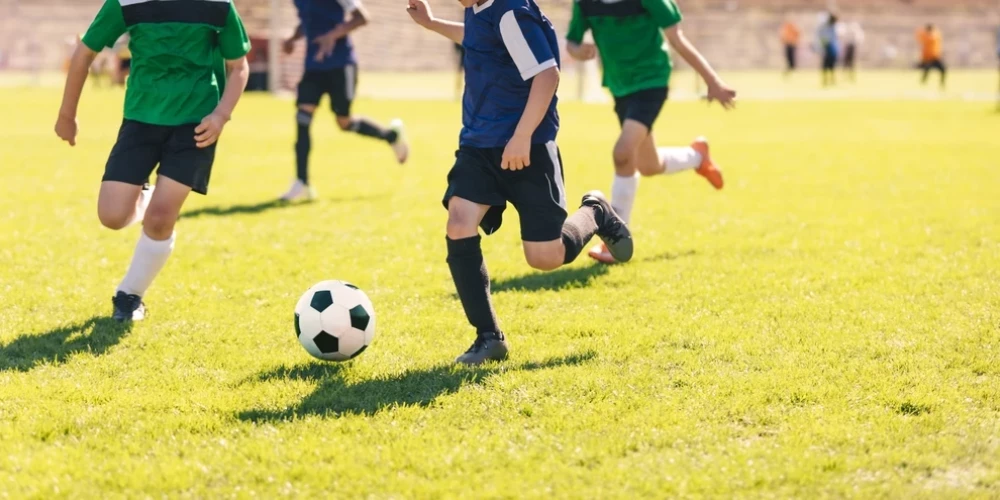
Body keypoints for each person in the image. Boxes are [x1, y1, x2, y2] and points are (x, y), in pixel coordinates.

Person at [406, 0, 634, 365]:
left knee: (544, 258)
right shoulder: (478, 8)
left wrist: (522, 134)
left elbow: (547, 74)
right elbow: (480, 39)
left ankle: (595, 212)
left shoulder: (513, 11)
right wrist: (432, 23)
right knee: (459, 221)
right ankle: (489, 337)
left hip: (528, 147)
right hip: (478, 145)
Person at [54, 0, 251, 321]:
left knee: (160, 219)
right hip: (140, 121)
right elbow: (84, 54)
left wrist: (221, 115)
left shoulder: (218, 5)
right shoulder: (127, 2)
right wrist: (66, 115)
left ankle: (130, 296)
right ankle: (145, 194)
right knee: (112, 216)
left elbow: (238, 66)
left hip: (196, 123)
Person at [565, 0, 735, 264]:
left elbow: (676, 39)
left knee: (623, 153)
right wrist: (579, 51)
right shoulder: (585, 3)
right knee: (648, 165)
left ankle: (614, 240)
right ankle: (697, 156)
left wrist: (713, 81)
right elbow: (572, 42)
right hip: (620, 86)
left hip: (651, 80)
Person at [280, 0, 410, 201]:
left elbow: (362, 17)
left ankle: (391, 136)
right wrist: (293, 38)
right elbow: (307, 20)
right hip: (313, 66)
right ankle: (302, 182)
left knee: (344, 122)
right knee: (302, 120)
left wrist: (332, 36)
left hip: (341, 66)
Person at [917, 24, 946, 89]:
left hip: (935, 57)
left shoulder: (931, 36)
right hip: (928, 57)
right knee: (927, 70)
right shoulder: (928, 36)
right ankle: (923, 82)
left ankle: (942, 83)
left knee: (942, 69)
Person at [817, 13, 840, 87]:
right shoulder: (825, 27)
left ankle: (831, 79)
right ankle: (825, 80)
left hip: (832, 49)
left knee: (831, 65)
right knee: (826, 65)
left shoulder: (833, 27)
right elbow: (821, 36)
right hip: (827, 48)